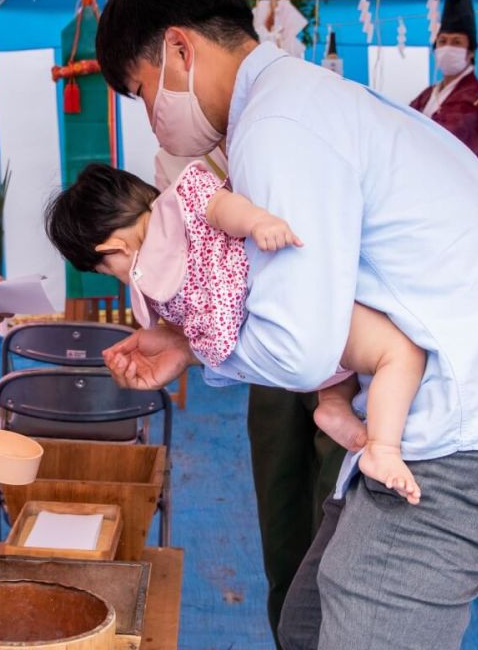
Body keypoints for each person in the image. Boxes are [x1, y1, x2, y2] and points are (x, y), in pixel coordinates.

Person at [93, 0, 478, 650]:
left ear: (179, 50)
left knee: (358, 612)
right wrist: (185, 341)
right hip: (462, 407)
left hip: (466, 424)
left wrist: (194, 343)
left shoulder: (279, 123)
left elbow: (301, 345)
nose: (152, 119)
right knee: (309, 620)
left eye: (142, 93)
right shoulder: (299, 103)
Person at [46, 162, 425, 503]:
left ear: (114, 247)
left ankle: (334, 407)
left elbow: (193, 328)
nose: (118, 277)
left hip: (266, 346)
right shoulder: (186, 196)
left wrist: (186, 346)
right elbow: (225, 209)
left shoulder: (153, 287)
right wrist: (256, 221)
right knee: (399, 351)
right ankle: (384, 448)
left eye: (108, 270)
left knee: (338, 377)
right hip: (297, 310)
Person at [153, 148, 347, 646]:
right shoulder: (182, 156)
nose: (154, 104)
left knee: (339, 513)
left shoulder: (286, 128)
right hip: (269, 350)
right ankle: (291, 634)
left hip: (339, 342)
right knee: (282, 512)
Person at [409, 0, 478, 162]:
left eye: (456, 42)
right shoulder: (428, 94)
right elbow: (403, 119)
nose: (448, 47)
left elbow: (448, 140)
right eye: (443, 41)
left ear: (470, 52)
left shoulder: (475, 97)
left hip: (460, 185)